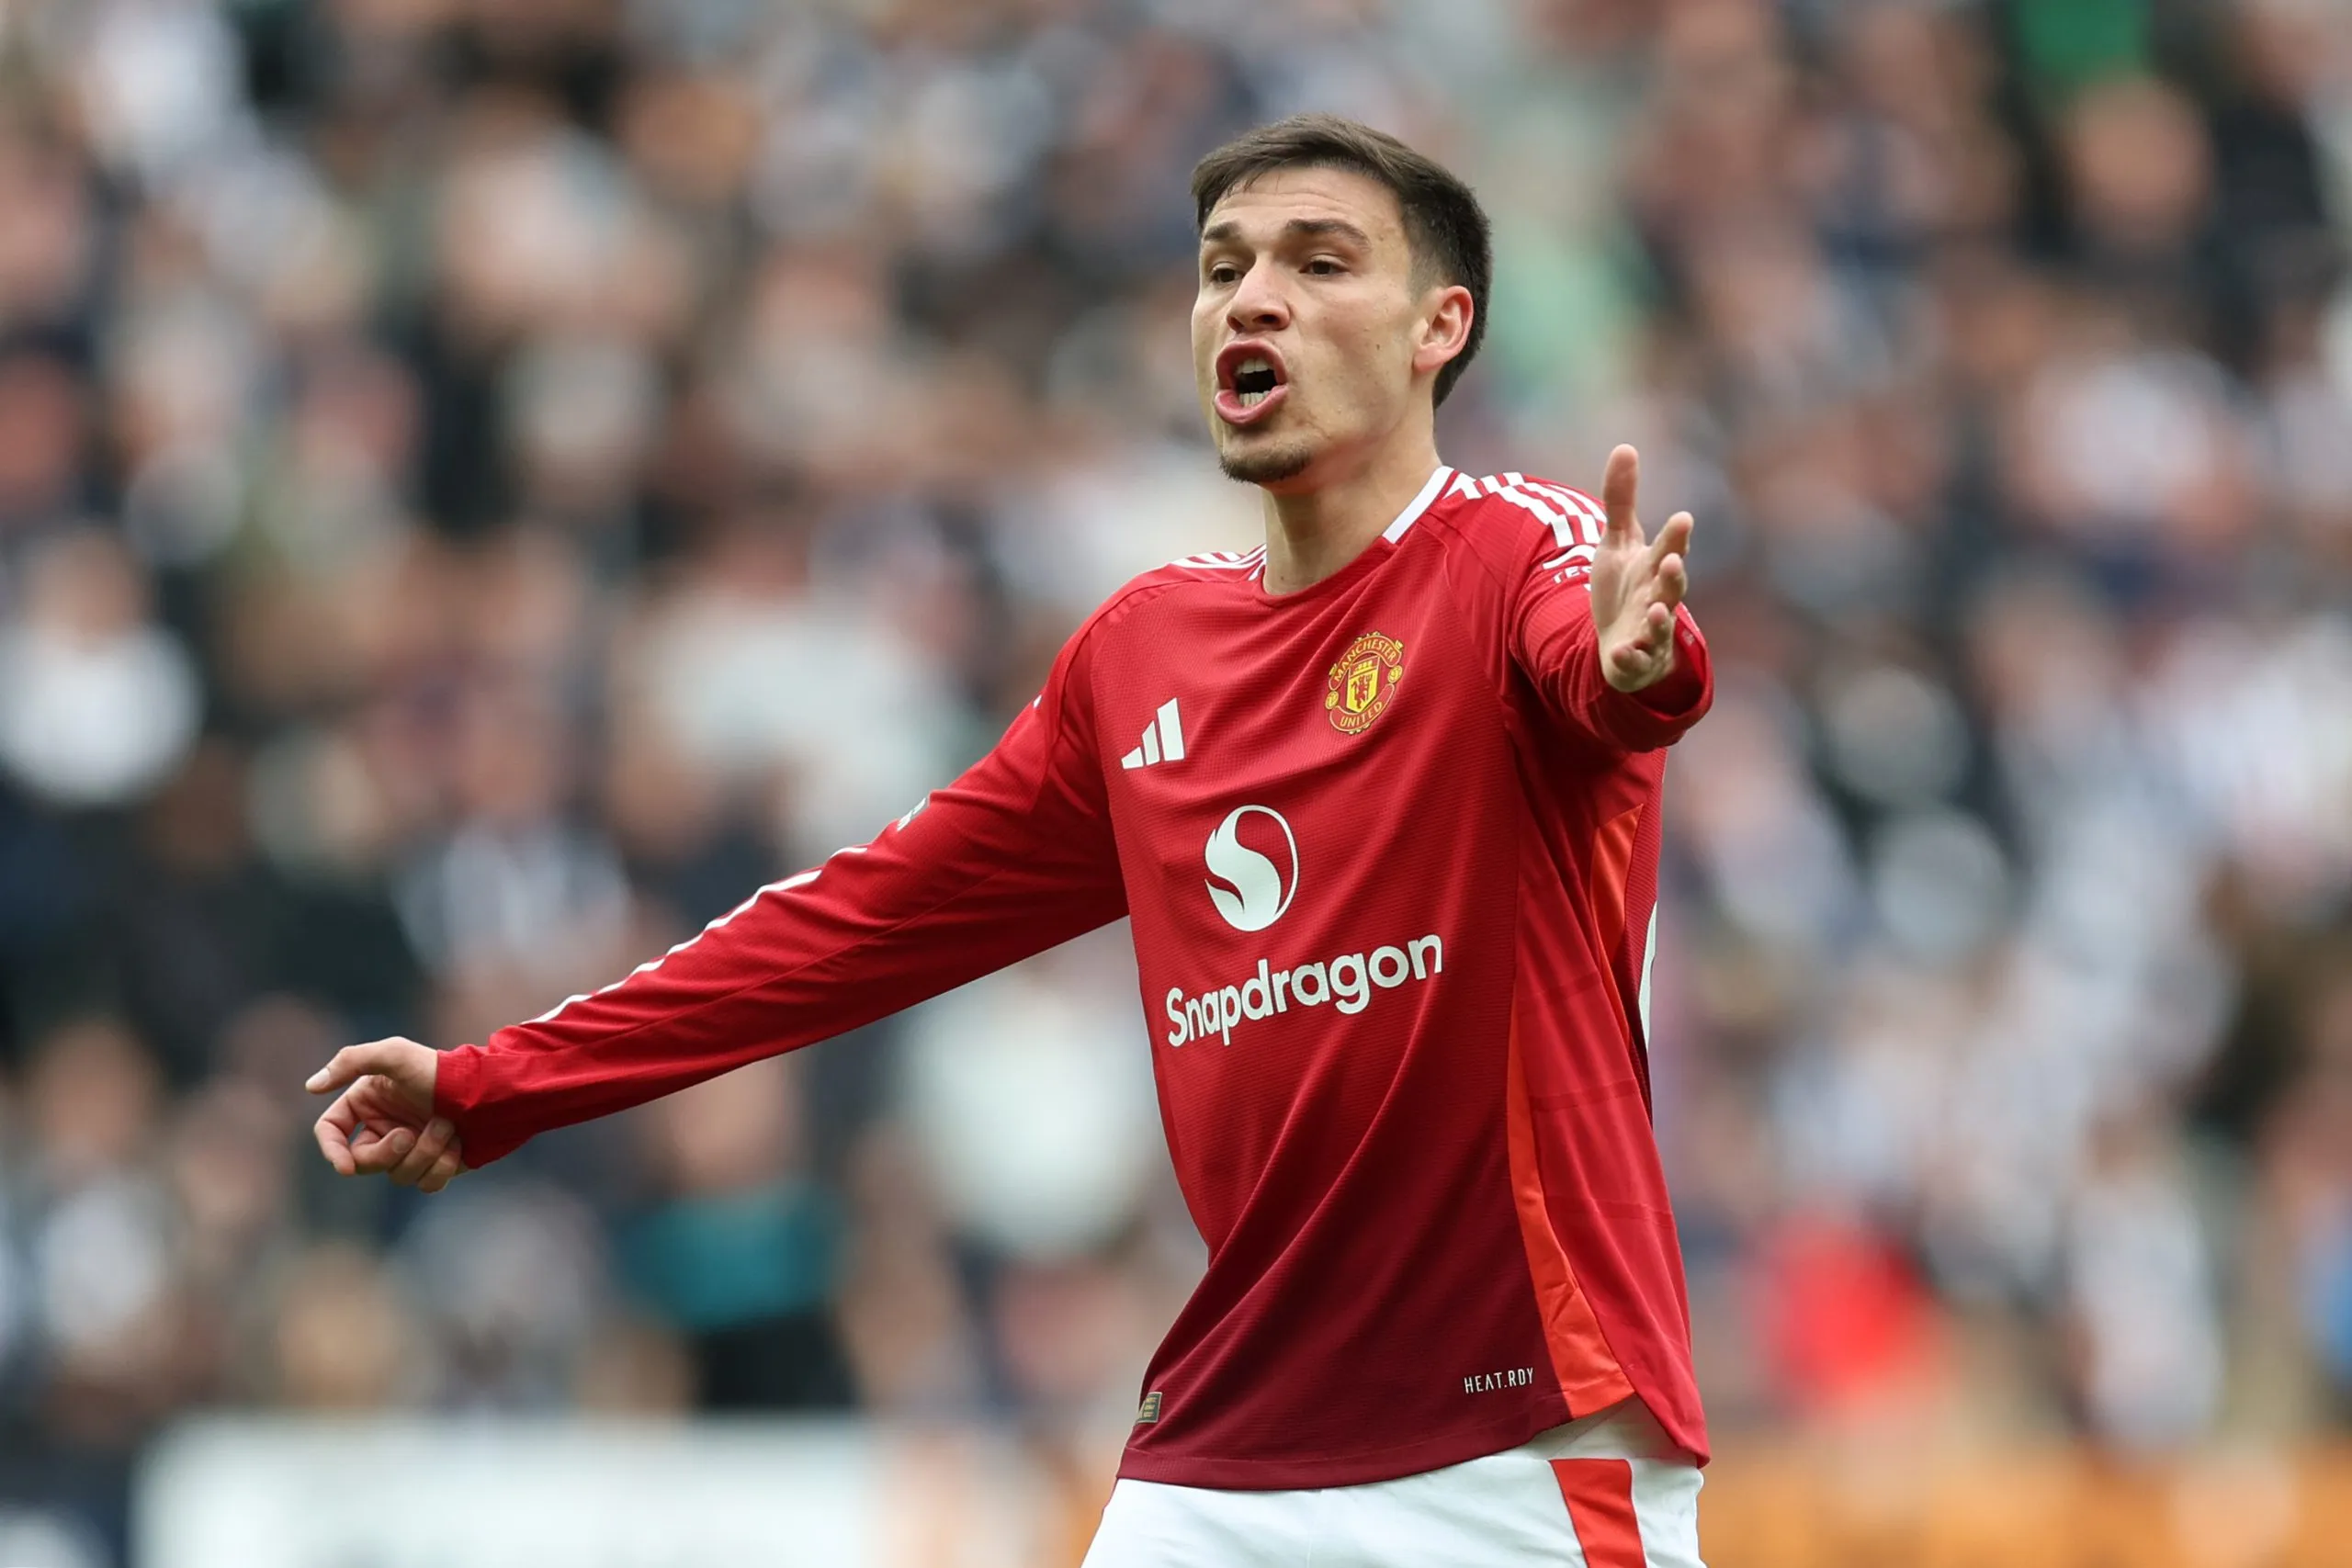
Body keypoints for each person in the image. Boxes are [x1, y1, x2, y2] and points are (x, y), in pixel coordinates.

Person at [309, 113, 1713, 1567]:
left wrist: (1635, 666)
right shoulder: (1142, 653)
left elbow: (1611, 668)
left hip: (1516, 1449)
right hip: (1225, 1458)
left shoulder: (1519, 555)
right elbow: (851, 925)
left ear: (1442, 325)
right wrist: (498, 1083)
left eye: (1319, 260)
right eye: (1223, 266)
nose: (1253, 296)